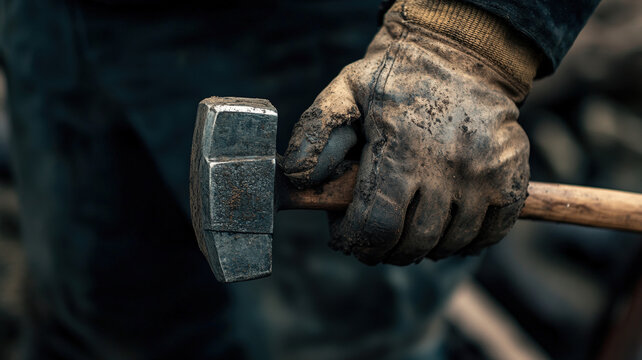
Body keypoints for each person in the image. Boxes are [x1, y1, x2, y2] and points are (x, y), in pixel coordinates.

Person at [0, 0, 600, 359]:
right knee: (99, 328)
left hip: (312, 29)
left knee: (339, 347)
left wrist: (474, 37)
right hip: (59, 24)